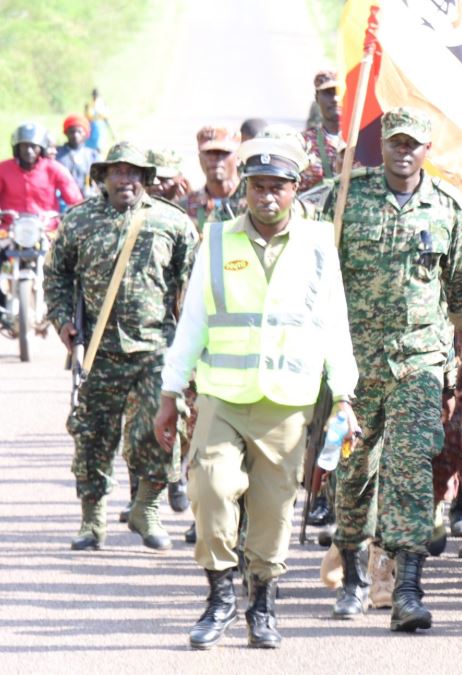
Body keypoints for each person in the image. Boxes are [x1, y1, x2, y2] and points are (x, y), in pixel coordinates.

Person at [153, 137, 358, 649]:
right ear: (245, 189)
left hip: (288, 402)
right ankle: (220, 596)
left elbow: (334, 323)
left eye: (279, 187)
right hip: (222, 397)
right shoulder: (218, 240)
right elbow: (194, 321)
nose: (268, 197)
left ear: (295, 191)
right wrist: (169, 391)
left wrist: (345, 396)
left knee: (273, 511)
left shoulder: (318, 244)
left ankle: (261, 606)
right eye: (259, 187)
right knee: (210, 491)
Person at [327, 107, 462, 633]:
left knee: (413, 469)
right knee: (353, 473)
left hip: (419, 361)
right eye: (395, 141)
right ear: (383, 145)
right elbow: (320, 279)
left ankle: (407, 587)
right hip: (354, 362)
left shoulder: (445, 207)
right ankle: (351, 570)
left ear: (426, 149)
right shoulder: (348, 196)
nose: (403, 150)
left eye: (413, 143)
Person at [43, 142, 198, 552]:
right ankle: (92, 521)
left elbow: (193, 286)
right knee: (93, 436)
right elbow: (56, 275)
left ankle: (146, 509)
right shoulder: (78, 222)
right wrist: (62, 321)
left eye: (134, 173)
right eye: (117, 172)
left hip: (155, 348)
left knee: (162, 430)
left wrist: (193, 343)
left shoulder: (173, 223)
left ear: (147, 178)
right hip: (98, 350)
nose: (125, 180)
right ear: (102, 177)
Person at [0, 123, 83, 218]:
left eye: (33, 146)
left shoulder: (55, 169)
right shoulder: (3, 169)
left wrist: (72, 215)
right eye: (24, 146)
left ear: (41, 148)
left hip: (47, 228)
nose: (29, 151)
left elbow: (76, 201)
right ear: (17, 148)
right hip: (10, 228)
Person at [182, 126, 243, 231]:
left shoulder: (253, 202)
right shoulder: (185, 206)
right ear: (199, 157)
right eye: (208, 152)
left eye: (223, 152)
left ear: (238, 158)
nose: (214, 158)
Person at [301, 70, 345, 190]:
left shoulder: (361, 141)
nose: (335, 99)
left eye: (339, 92)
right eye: (328, 93)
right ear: (317, 98)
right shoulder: (304, 142)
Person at [56, 115, 100, 198]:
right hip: (63, 200)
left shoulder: (93, 155)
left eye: (79, 132)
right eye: (72, 132)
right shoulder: (57, 154)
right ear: (66, 133)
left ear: (86, 133)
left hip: (88, 199)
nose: (75, 135)